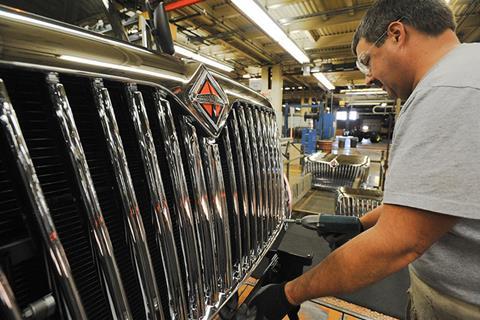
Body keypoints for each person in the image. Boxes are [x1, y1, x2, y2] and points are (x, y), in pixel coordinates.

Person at [248, 0, 480, 319]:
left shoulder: (448, 93)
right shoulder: (466, 71)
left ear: (397, 34)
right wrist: (359, 223)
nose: (368, 77)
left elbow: (396, 244)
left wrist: (289, 293)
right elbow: (434, 200)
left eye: (366, 60)